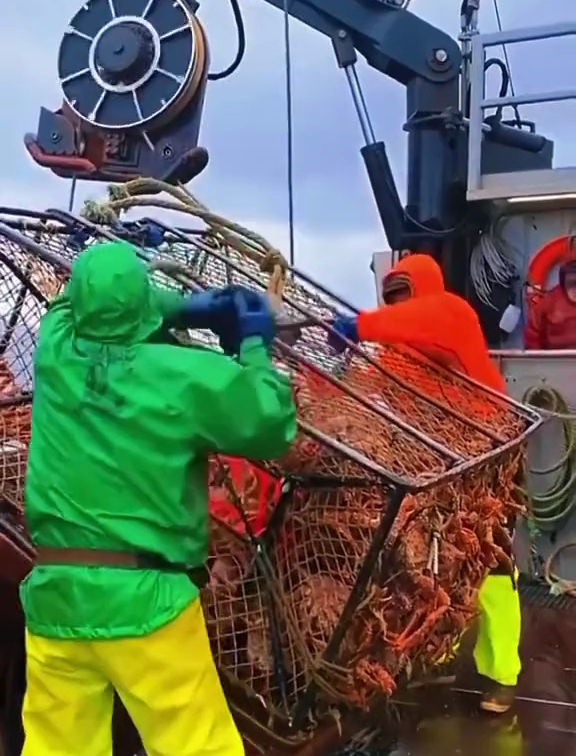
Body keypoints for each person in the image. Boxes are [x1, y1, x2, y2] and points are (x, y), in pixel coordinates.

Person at [19, 239, 297, 756]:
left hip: (57, 597)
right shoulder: (180, 376)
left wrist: (187, 306)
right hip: (146, 604)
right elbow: (271, 423)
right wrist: (253, 340)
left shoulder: (54, 349)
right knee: (197, 746)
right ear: (144, 306)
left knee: (57, 748)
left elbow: (68, 304)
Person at [328, 253, 521, 714]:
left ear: (421, 291)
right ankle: (442, 657)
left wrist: (361, 325)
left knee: (491, 567)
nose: (396, 305)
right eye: (389, 297)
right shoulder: (394, 349)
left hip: (486, 459)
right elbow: (364, 386)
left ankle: (503, 673)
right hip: (433, 464)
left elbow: (421, 320)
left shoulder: (450, 314)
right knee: (435, 568)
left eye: (403, 295)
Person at [524, 250, 576, 350]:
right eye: (572, 281)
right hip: (553, 363)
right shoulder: (547, 303)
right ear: (563, 278)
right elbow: (532, 339)